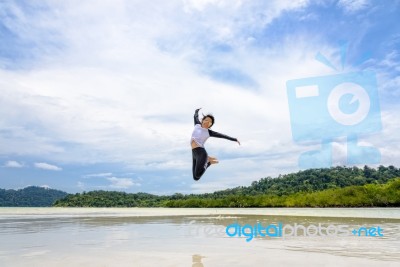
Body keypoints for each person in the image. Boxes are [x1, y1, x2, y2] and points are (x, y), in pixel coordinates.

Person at [191, 108, 240, 181]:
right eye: (206, 120)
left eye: (210, 122)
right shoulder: (197, 125)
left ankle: (208, 162)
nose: (208, 122)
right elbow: (195, 116)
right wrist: (196, 111)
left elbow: (223, 136)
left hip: (201, 153)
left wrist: (234, 139)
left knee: (198, 174)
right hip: (194, 153)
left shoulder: (208, 132)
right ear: (203, 120)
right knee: (195, 178)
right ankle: (208, 162)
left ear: (210, 125)